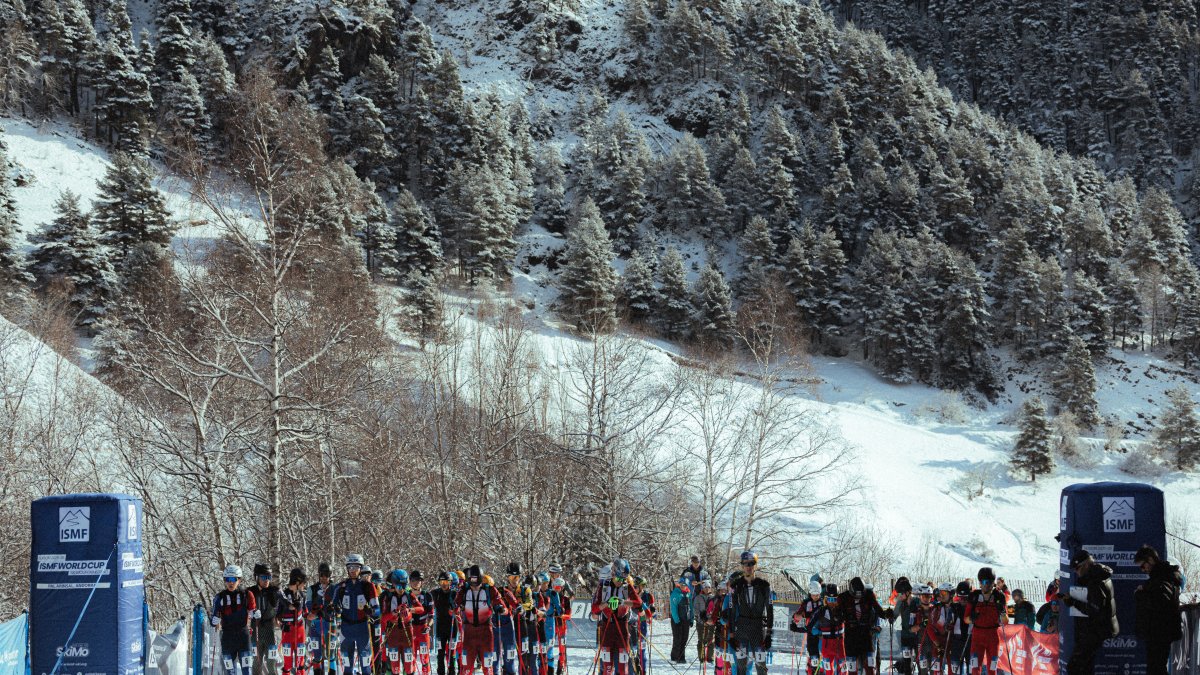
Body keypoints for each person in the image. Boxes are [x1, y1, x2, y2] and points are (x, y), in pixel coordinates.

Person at [1060, 550, 1117, 675]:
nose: (1076, 572)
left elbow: (1094, 609)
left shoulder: (1096, 580)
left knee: (1074, 668)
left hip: (1096, 630)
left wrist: (1072, 602)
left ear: (1086, 565)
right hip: (1098, 629)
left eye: (1077, 568)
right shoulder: (1098, 574)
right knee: (1085, 667)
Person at [1134, 544, 1182, 675]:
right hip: (1158, 631)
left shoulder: (1162, 577)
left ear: (1150, 560)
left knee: (1156, 669)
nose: (1143, 570)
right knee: (1156, 668)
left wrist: (1141, 593)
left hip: (1160, 632)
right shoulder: (1162, 576)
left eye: (1143, 566)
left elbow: (1161, 603)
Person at [331, 553, 382, 675]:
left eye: (356, 567)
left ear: (361, 569)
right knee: (347, 665)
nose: (353, 571)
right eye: (350, 567)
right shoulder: (341, 587)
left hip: (362, 628)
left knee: (365, 664)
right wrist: (334, 609)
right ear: (347, 569)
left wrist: (372, 611)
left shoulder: (368, 586)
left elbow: (378, 609)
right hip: (346, 628)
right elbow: (332, 606)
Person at [591, 558, 643, 675]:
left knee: (623, 669)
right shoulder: (604, 586)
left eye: (623, 578)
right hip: (607, 629)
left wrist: (623, 602)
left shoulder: (626, 586)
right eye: (619, 578)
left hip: (622, 630)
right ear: (613, 573)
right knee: (607, 669)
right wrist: (607, 603)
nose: (621, 581)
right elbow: (594, 609)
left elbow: (638, 603)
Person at [725, 551, 773, 675]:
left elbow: (770, 609)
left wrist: (768, 633)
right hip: (741, 629)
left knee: (761, 667)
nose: (748, 566)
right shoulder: (736, 586)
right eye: (745, 564)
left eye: (751, 563)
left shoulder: (764, 586)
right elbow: (732, 610)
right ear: (742, 566)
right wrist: (731, 634)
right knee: (741, 667)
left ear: (755, 565)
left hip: (758, 629)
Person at [456, 565, 501, 675]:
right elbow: (455, 603)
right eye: (472, 581)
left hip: (485, 632)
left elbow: (499, 601)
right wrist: (455, 607)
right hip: (469, 633)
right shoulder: (464, 590)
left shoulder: (489, 590)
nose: (474, 585)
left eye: (476, 581)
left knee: (487, 666)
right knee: (466, 667)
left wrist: (499, 607)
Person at [214, 565, 258, 675]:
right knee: (230, 671)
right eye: (227, 579)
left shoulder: (247, 594)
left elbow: (253, 610)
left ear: (239, 580)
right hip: (228, 638)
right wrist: (214, 620)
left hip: (243, 637)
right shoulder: (219, 597)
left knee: (247, 670)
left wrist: (256, 613)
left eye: (233, 579)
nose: (230, 583)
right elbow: (214, 616)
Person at [964, 568, 1007, 675]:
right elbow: (966, 619)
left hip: (993, 636)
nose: (987, 585)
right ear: (980, 583)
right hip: (977, 636)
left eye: (990, 582)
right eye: (984, 582)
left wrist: (1002, 612)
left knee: (992, 669)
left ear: (993, 583)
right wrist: (972, 618)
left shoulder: (999, 596)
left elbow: (1005, 621)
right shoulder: (974, 596)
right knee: (975, 668)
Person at [840, 577, 881, 675]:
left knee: (870, 664)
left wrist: (877, 627)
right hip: (853, 638)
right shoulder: (846, 600)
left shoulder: (871, 600)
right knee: (855, 666)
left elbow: (878, 615)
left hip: (868, 636)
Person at [250, 563, 284, 675]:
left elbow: (286, 604)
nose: (267, 580)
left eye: (269, 577)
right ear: (257, 577)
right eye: (264, 577)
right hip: (256, 631)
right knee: (256, 662)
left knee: (271, 663)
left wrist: (279, 617)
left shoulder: (275, 591)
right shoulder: (250, 592)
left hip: (270, 632)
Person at [381, 569, 416, 675]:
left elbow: (419, 608)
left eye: (391, 586)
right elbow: (382, 617)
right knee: (389, 662)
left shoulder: (407, 593)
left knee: (407, 662)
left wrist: (409, 611)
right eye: (389, 586)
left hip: (403, 631)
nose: (390, 589)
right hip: (388, 631)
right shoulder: (385, 596)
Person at [280, 568, 309, 675]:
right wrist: (281, 624)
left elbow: (306, 614)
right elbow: (277, 615)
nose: (304, 585)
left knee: (300, 663)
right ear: (297, 582)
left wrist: (318, 614)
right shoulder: (282, 594)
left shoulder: (302, 595)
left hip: (300, 633)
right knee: (287, 664)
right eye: (303, 583)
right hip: (288, 632)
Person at [790, 578, 823, 675]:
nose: (816, 597)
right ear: (810, 593)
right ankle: (812, 670)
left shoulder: (823, 602)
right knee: (812, 654)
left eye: (817, 595)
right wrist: (795, 621)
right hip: (810, 631)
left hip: (822, 632)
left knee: (822, 654)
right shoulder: (806, 603)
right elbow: (799, 614)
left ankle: (821, 671)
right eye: (813, 595)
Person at [308, 563, 336, 675]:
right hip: (316, 624)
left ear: (330, 575)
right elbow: (308, 604)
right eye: (322, 575)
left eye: (327, 575)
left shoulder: (335, 588)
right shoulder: (312, 588)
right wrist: (316, 611)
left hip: (330, 624)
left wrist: (334, 608)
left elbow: (339, 604)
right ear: (319, 575)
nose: (324, 577)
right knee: (317, 654)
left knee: (331, 654)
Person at [810, 583, 845, 674]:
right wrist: (819, 632)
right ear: (825, 599)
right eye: (829, 599)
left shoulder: (842, 610)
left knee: (843, 670)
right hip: (826, 644)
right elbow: (813, 628)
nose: (832, 602)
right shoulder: (821, 611)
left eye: (834, 599)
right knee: (828, 670)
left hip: (840, 645)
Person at [406, 571, 434, 675]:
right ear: (410, 581)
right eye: (413, 580)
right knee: (410, 657)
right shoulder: (407, 595)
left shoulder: (427, 595)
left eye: (418, 580)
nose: (416, 583)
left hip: (423, 629)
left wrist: (429, 626)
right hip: (410, 628)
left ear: (422, 582)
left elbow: (431, 615)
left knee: (424, 658)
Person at [432, 571, 459, 675]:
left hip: (452, 626)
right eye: (442, 582)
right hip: (440, 627)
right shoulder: (435, 593)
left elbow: (460, 605)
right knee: (440, 653)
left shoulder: (454, 594)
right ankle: (441, 672)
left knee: (452, 653)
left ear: (450, 583)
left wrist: (456, 608)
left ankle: (452, 672)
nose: (444, 584)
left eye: (446, 582)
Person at [893, 577, 919, 675]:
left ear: (907, 593)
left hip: (917, 638)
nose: (898, 596)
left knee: (920, 664)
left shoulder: (917, 601)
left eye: (900, 593)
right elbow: (894, 614)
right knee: (907, 664)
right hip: (905, 637)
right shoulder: (901, 603)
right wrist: (890, 615)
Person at [945, 582, 972, 675]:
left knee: (972, 669)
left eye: (966, 597)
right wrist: (948, 626)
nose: (963, 600)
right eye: (961, 597)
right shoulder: (954, 607)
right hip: (957, 642)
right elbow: (947, 624)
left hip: (970, 641)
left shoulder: (974, 608)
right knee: (955, 669)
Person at [668, 573, 693, 663]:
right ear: (679, 585)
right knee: (678, 638)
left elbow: (690, 606)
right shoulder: (675, 594)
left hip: (686, 619)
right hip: (677, 620)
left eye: (685, 585)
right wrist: (677, 620)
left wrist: (691, 618)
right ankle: (675, 656)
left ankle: (682, 656)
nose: (683, 587)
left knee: (684, 638)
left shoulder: (688, 593)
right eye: (682, 585)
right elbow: (673, 608)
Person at [694, 580, 713, 663]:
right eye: (706, 587)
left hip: (710, 621)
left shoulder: (713, 597)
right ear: (703, 588)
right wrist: (700, 617)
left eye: (709, 587)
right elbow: (695, 609)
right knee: (701, 639)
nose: (707, 589)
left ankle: (709, 656)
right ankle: (701, 656)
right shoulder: (698, 597)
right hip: (701, 622)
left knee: (710, 639)